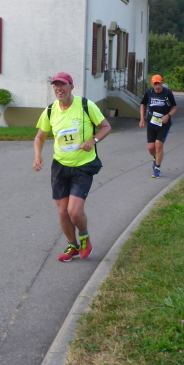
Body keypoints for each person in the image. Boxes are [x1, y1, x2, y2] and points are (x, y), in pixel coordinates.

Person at [33, 72, 112, 262]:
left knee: (74, 212)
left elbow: (106, 127)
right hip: (60, 166)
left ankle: (84, 237)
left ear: (71, 87)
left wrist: (93, 141)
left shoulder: (86, 105)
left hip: (83, 166)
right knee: (62, 211)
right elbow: (40, 137)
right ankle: (72, 246)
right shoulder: (50, 111)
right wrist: (37, 155)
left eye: (62, 85)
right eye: (56, 85)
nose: (59, 89)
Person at [139, 75, 177, 178]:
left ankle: (157, 168)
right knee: (151, 148)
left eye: (159, 83)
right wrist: (142, 118)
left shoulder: (167, 93)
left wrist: (168, 115)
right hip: (152, 122)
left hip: (164, 123)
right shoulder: (149, 92)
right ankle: (156, 158)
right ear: (152, 84)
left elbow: (174, 107)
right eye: (155, 84)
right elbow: (143, 105)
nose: (157, 86)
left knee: (159, 145)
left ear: (162, 83)